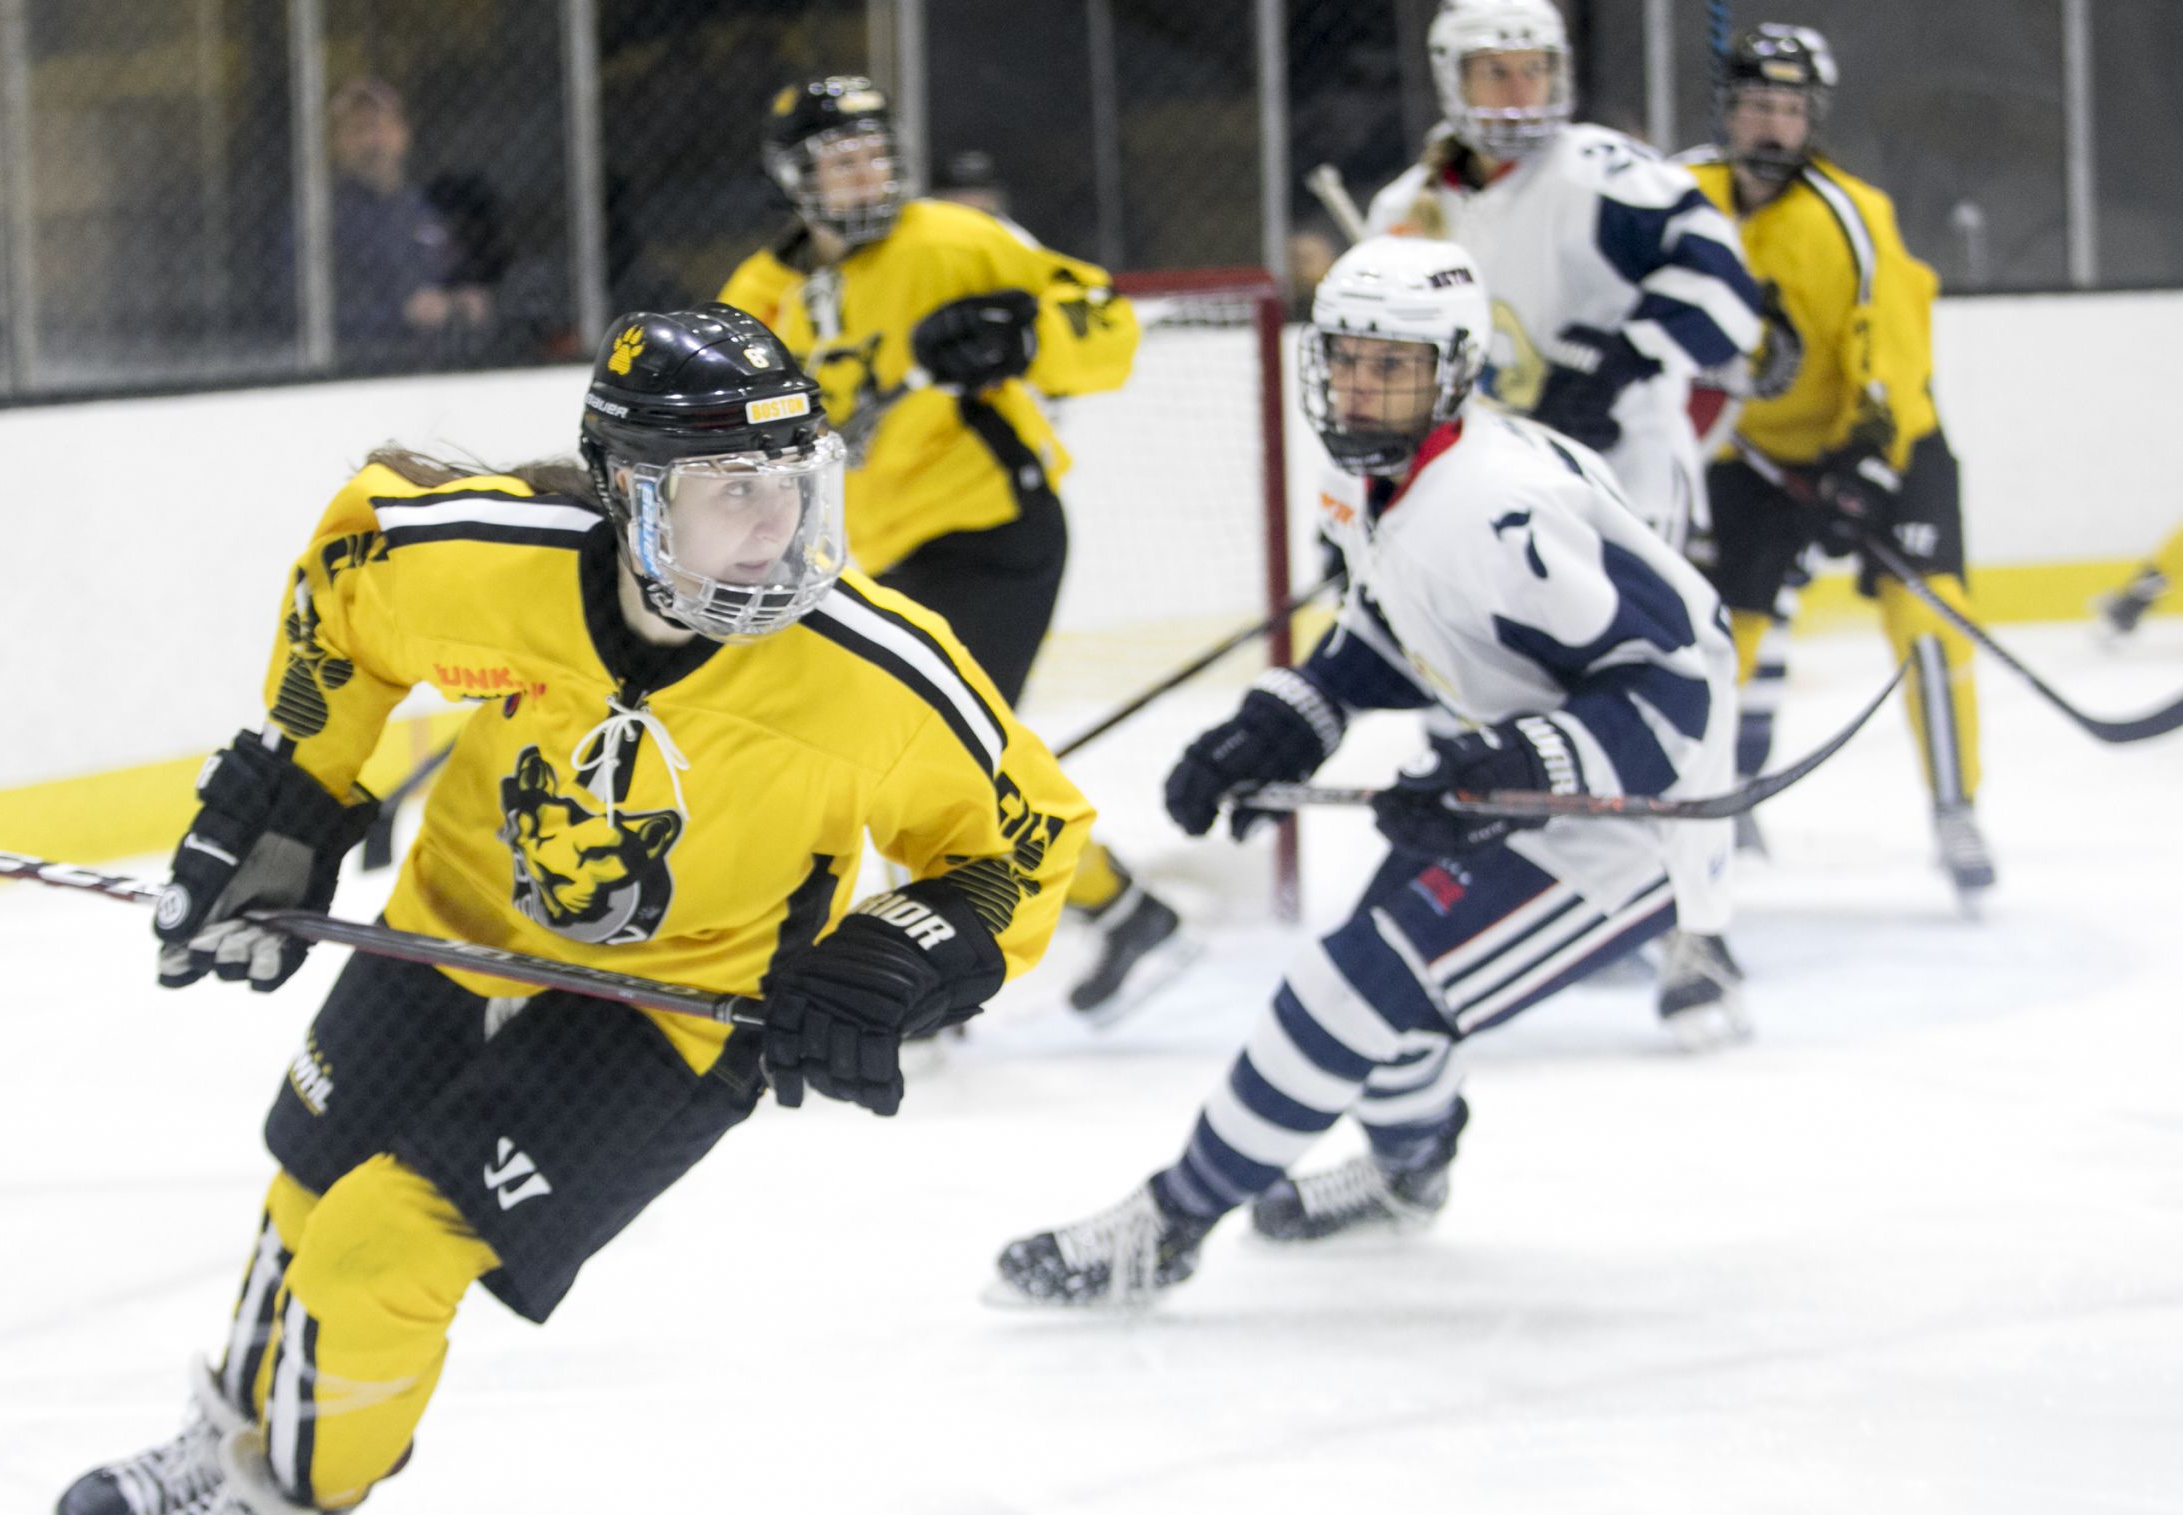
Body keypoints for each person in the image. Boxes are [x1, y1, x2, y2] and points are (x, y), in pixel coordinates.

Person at [56, 306, 1092, 1515]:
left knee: (380, 1249)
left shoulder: (871, 669)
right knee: (309, 1182)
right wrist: (303, 787)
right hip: (462, 917)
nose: (775, 527)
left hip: (674, 1009)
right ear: (629, 493)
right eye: (731, 493)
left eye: (790, 484)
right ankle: (235, 1428)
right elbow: (352, 571)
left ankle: (288, 1497)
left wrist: (921, 943)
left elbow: (1029, 838)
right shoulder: (493, 567)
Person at [993, 237, 1738, 1306]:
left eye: (1390, 367)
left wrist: (1513, 765)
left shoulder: (1498, 506)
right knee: (1386, 1000)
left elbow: (1677, 683)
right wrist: (1293, 717)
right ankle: (1406, 1178)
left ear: (1453, 372)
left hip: (1628, 827)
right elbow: (1400, 630)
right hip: (1526, 785)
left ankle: (1167, 1224)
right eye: (1345, 359)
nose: (1358, 386)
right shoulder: (1382, 478)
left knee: (1350, 987)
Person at [716, 75, 1185, 1023]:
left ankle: (934, 981)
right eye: (838, 161)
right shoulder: (763, 296)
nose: (865, 175)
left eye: (874, 153)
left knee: (922, 752)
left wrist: (1024, 334)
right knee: (942, 763)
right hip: (871, 562)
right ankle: (1121, 908)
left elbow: (1108, 326)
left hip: (992, 534)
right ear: (793, 180)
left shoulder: (955, 240)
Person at [1680, 24, 1996, 905]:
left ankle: (1954, 808)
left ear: (1811, 118)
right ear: (1728, 113)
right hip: (1752, 455)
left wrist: (1867, 465)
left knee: (1929, 618)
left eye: (1789, 109)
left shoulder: (1852, 215)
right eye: (1755, 107)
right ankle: (1720, 802)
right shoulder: (1676, 195)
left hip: (1883, 447)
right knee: (1719, 639)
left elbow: (1891, 353)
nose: (1772, 127)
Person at [1367, 0, 1763, 553]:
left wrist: (1620, 361)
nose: (1520, 92)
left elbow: (1729, 292)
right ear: (1452, 78)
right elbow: (1377, 368)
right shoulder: (1404, 209)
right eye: (1496, 72)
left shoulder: (1605, 176)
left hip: (1620, 485)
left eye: (1535, 69)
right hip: (1479, 492)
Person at [324, 76, 494, 368]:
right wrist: (399, 314)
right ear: (336, 143)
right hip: (354, 371)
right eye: (357, 130)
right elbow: (297, 308)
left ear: (402, 135)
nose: (371, 142)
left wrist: (465, 298)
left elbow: (454, 272)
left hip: (440, 366)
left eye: (379, 127)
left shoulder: (422, 210)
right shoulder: (319, 218)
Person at [2099, 525, 2179, 637]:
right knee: (2157, 579)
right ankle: (2124, 610)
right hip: (2166, 569)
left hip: (2164, 570)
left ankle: (2125, 609)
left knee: (2158, 579)